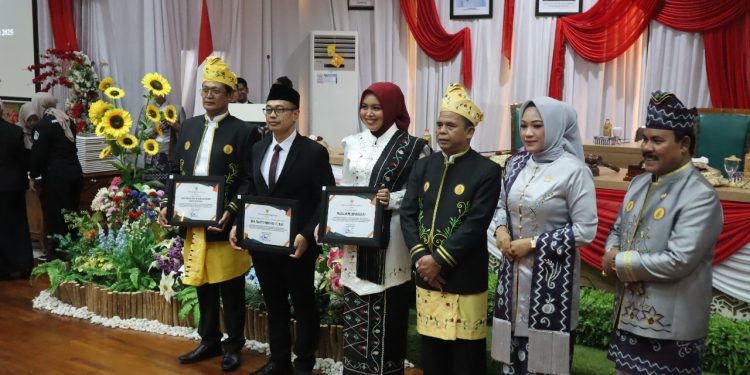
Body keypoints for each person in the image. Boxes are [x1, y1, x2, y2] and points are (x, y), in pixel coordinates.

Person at [602, 91, 723, 375]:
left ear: (684, 145)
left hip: (671, 327)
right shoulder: (638, 184)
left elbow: (678, 260)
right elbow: (617, 229)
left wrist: (620, 264)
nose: (646, 147)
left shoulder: (700, 196)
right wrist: (612, 252)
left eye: (657, 140)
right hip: (629, 315)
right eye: (645, 138)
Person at [158, 56, 261, 372]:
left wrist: (232, 210)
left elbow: (249, 177)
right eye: (205, 90)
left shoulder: (244, 132)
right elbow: (175, 169)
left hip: (222, 224)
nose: (208, 95)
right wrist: (168, 204)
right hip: (192, 222)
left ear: (230, 95)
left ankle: (233, 345)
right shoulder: (188, 126)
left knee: (230, 286)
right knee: (201, 283)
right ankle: (209, 339)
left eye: (216, 90)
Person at [229, 83, 335, 375]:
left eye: (280, 110)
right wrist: (239, 223)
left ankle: (303, 362)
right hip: (264, 242)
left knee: (303, 303)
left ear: (296, 114)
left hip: (298, 244)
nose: (272, 115)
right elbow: (251, 187)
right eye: (269, 109)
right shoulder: (258, 148)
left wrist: (306, 233)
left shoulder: (313, 152)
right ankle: (278, 360)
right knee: (274, 302)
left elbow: (325, 198)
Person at [489, 97, 598, 374]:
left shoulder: (574, 171)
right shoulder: (515, 164)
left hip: (551, 285)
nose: (528, 133)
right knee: (512, 363)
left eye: (537, 126)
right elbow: (501, 205)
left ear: (556, 126)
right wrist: (501, 230)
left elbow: (586, 229)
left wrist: (534, 244)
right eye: (524, 125)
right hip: (512, 280)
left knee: (544, 366)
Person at [400, 83, 501, 375]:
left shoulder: (487, 171)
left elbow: (475, 224)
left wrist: (439, 261)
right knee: (432, 354)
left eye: (451, 125)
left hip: (463, 275)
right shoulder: (423, 166)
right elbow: (408, 214)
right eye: (439, 124)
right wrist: (422, 259)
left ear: (469, 131)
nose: (442, 130)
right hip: (426, 275)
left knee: (465, 357)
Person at [334, 82, 429, 375]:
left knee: (389, 307)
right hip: (355, 238)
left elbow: (423, 194)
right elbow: (345, 189)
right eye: (365, 107)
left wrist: (393, 200)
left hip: (392, 240)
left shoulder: (414, 147)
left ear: (392, 109)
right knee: (356, 304)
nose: (369, 113)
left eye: (377, 107)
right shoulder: (352, 142)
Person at [29, 92, 83, 260]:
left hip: (57, 177)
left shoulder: (43, 125)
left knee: (56, 215)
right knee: (72, 212)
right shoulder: (67, 120)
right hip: (75, 173)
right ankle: (76, 248)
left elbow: (38, 155)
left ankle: (59, 254)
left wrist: (33, 175)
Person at [0, 100, 33, 279]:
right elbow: (23, 161)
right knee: (18, 224)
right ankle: (24, 263)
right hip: (13, 185)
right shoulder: (15, 131)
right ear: (2, 112)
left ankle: (3, 269)